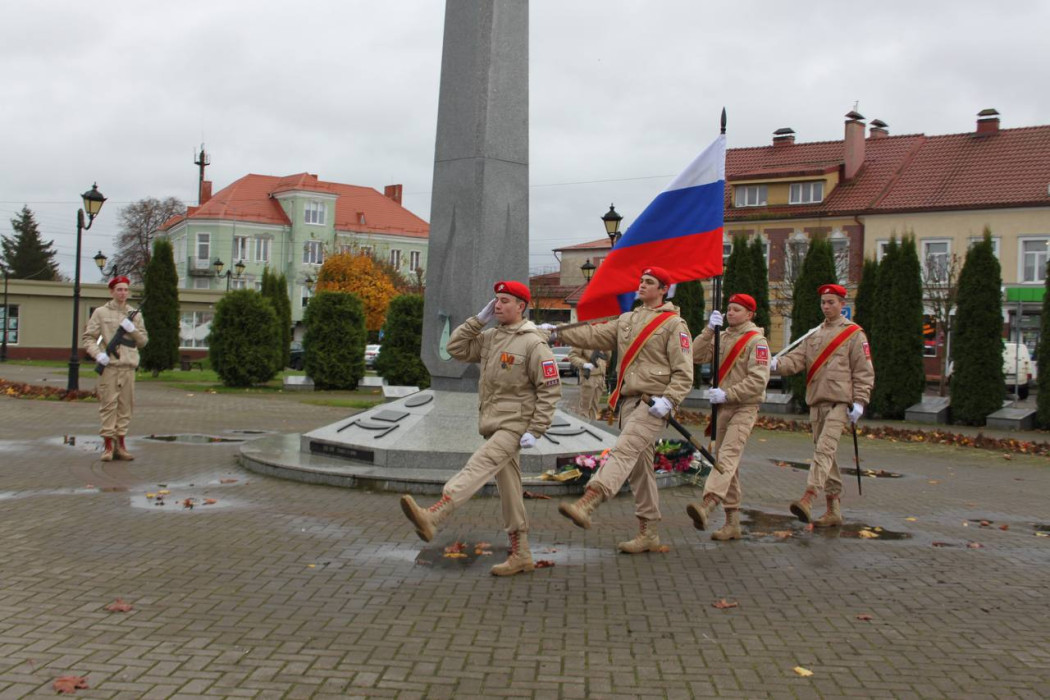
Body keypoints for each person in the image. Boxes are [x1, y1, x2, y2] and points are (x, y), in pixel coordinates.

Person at [400, 280, 561, 576]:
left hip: (515, 425)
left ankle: (435, 515)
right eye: (495, 300)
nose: (498, 305)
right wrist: (478, 319)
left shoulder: (533, 343)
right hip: (492, 422)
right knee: (511, 491)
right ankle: (521, 554)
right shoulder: (490, 337)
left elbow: (550, 389)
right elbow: (455, 348)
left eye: (504, 301)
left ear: (521, 306)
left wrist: (536, 429)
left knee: (480, 464)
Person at [541, 267, 693, 553]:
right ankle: (649, 532)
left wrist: (670, 400)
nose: (642, 285)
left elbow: (684, 372)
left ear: (663, 289)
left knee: (623, 450)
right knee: (639, 467)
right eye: (641, 281)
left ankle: (590, 501)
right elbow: (593, 335)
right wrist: (558, 332)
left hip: (653, 404)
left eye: (650, 282)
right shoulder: (627, 320)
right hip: (628, 403)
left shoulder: (674, 324)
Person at [771, 283, 874, 527]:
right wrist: (775, 364)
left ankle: (809, 497)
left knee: (824, 451)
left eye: (831, 302)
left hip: (841, 403)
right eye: (823, 303)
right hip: (816, 402)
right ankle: (833, 508)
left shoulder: (854, 334)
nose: (826, 307)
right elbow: (796, 361)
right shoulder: (813, 335)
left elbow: (864, 371)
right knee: (827, 456)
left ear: (842, 305)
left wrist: (860, 401)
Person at [685, 293, 769, 540]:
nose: (730, 313)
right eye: (729, 309)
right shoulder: (722, 336)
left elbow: (758, 380)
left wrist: (728, 393)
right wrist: (709, 330)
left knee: (728, 456)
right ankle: (733, 522)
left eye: (736, 309)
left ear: (750, 314)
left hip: (744, 406)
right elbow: (694, 355)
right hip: (722, 408)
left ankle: (708, 504)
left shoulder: (757, 342)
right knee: (726, 461)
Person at [81, 276, 149, 462]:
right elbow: (88, 338)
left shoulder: (135, 314)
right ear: (111, 292)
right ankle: (108, 447)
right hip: (110, 367)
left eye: (125, 290)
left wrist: (132, 330)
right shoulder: (101, 313)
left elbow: (143, 341)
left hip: (128, 367)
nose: (123, 293)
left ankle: (121, 445)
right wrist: (98, 354)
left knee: (126, 406)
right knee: (108, 405)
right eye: (119, 289)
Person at [567, 346, 608, 420]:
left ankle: (592, 427)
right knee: (585, 409)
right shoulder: (582, 339)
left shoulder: (600, 339)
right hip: (589, 377)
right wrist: (584, 364)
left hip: (600, 376)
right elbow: (572, 356)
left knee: (595, 408)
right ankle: (583, 427)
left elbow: (607, 356)